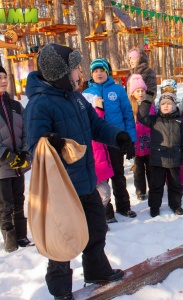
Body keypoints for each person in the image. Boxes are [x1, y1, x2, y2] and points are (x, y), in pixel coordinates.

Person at [24, 43, 131, 300]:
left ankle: (96, 271)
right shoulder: (39, 105)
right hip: (62, 188)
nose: (80, 72)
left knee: (96, 229)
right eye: (75, 68)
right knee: (63, 239)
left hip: (86, 182)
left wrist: (119, 136)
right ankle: (60, 290)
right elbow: (34, 149)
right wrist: (51, 142)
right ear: (61, 72)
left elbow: (95, 125)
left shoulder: (75, 97)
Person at [83, 58, 137, 219]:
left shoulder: (118, 90)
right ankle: (106, 211)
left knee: (118, 174)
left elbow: (127, 114)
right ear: (91, 74)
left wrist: (130, 139)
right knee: (101, 177)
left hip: (115, 139)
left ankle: (124, 206)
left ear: (107, 72)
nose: (99, 73)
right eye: (95, 71)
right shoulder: (86, 94)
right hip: (97, 143)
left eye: (102, 70)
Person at [137, 92, 183, 217]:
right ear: (159, 106)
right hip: (158, 159)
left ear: (174, 105)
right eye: (163, 104)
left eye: (169, 104)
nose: (166, 106)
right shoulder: (154, 119)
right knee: (156, 185)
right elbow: (141, 117)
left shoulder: (179, 121)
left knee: (175, 184)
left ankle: (175, 205)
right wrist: (148, 100)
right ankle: (155, 206)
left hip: (174, 159)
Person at [0, 66, 33, 253]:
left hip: (18, 163)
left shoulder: (15, 105)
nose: (4, 80)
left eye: (5, 77)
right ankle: (10, 241)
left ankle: (22, 236)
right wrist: (7, 155)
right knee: (5, 204)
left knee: (19, 199)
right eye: (0, 77)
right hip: (2, 165)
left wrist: (24, 152)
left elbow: (27, 130)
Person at [83, 94, 116, 223]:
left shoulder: (96, 126)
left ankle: (100, 218)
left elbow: (98, 122)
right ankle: (95, 219)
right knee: (100, 194)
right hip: (92, 168)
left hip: (101, 166)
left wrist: (99, 109)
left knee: (104, 193)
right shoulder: (83, 127)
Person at [128, 74, 156, 201]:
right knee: (138, 169)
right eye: (137, 91)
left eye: (142, 90)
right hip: (137, 142)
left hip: (149, 141)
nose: (140, 93)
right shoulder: (130, 107)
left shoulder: (150, 105)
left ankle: (153, 187)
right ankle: (140, 190)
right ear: (132, 93)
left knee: (151, 167)